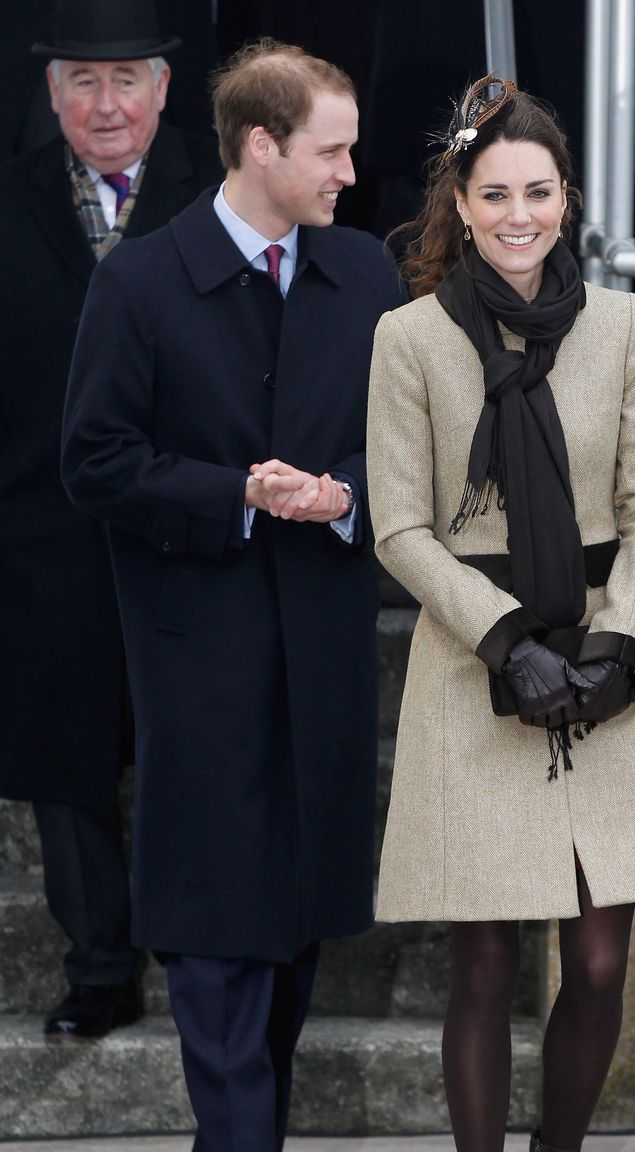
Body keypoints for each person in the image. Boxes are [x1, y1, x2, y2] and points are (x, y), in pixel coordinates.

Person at [61, 37, 403, 1152]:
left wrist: (340, 494)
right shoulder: (139, 281)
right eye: (332, 152)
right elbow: (94, 460)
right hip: (199, 666)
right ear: (261, 147)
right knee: (216, 943)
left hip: (324, 657)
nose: (351, 175)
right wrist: (240, 495)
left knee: (295, 938)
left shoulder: (365, 275)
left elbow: (411, 451)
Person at [366, 76, 635, 1152]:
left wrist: (625, 643)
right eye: (496, 192)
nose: (519, 214)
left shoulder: (621, 324)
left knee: (603, 957)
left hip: (609, 655)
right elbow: (399, 527)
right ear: (461, 205)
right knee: (483, 959)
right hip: (481, 658)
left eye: (540, 190)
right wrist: (508, 644)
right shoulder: (411, 338)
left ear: (568, 198)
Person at [0, 0, 222, 1039]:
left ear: (165, 90)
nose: (105, 103)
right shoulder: (10, 199)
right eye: (81, 82)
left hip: (186, 520)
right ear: (50, 94)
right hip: (45, 530)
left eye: (125, 78)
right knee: (66, 757)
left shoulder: (220, 196)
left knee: (190, 747)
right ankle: (97, 968)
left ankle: (197, 955)